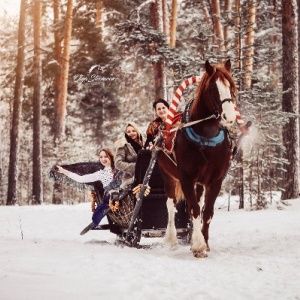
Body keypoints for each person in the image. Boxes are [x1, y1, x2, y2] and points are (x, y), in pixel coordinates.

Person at [56, 148, 119, 227]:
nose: (103, 159)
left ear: (111, 157)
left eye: (106, 156)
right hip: (110, 198)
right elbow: (81, 179)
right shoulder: (100, 174)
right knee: (102, 206)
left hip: (123, 194)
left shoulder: (119, 169)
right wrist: (63, 171)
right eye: (101, 157)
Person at [114, 122, 144, 191]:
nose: (131, 133)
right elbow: (117, 163)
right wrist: (136, 167)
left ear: (137, 131)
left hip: (145, 175)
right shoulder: (122, 145)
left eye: (133, 131)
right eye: (129, 132)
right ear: (126, 133)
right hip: (131, 178)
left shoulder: (143, 144)